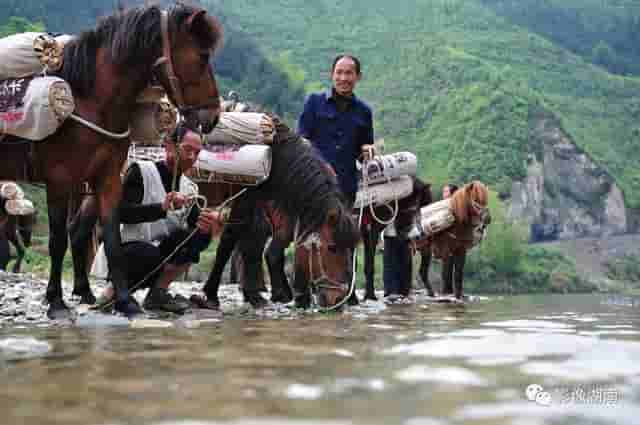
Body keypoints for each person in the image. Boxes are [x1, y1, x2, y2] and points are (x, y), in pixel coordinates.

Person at [93, 124, 225, 314]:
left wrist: (209, 224)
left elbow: (194, 229)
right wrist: (161, 208)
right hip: (127, 250)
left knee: (199, 236)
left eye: (197, 153)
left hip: (156, 254)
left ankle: (158, 293)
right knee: (148, 253)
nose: (192, 157)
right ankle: (112, 292)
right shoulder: (142, 172)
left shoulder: (189, 188)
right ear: (169, 145)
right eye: (187, 150)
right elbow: (120, 214)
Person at [297, 54, 376, 205]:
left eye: (348, 73)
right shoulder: (314, 102)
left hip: (345, 190)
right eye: (339, 72)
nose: (343, 78)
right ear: (331, 75)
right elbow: (301, 141)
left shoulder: (364, 111)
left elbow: (362, 152)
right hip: (314, 184)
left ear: (358, 77)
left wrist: (367, 150)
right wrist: (321, 165)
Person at [440, 183, 465, 296]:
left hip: (459, 242)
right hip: (446, 243)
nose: (443, 194)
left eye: (445, 192)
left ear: (452, 194)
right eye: (443, 192)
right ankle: (447, 292)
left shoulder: (461, 207)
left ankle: (458, 293)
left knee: (459, 269)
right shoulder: (440, 206)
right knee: (446, 269)